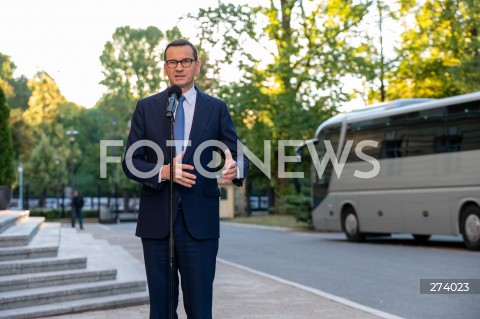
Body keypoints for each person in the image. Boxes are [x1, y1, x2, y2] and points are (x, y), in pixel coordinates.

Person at [122, 39, 248, 319]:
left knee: (200, 309)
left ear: (197, 65)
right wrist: (163, 172)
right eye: (172, 62)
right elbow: (131, 161)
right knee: (162, 311)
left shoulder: (216, 108)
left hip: (200, 225)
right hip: (157, 224)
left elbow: (238, 152)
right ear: (165, 68)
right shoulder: (147, 107)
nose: (179, 67)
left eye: (185, 61)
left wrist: (235, 167)